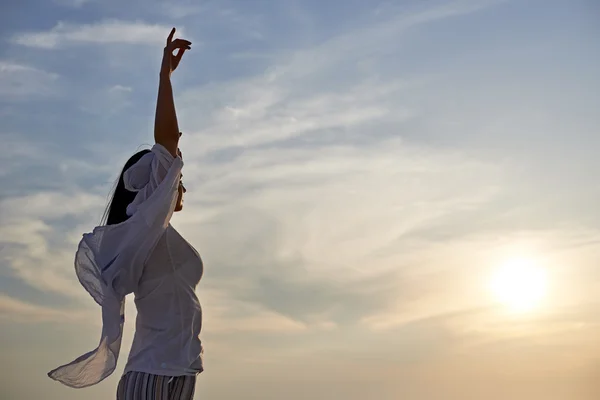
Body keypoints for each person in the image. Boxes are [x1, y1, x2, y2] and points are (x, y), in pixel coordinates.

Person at [48, 28, 203, 400]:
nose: (179, 185)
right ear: (150, 184)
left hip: (181, 370)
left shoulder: (152, 232)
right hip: (152, 373)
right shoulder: (144, 220)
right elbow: (168, 140)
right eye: (170, 179)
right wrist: (164, 77)